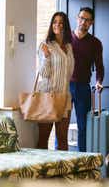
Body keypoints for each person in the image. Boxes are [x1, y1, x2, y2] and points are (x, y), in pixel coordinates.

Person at [37, 11, 74, 150]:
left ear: (65, 26)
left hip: (64, 97)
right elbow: (44, 73)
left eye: (60, 22)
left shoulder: (69, 47)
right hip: (48, 96)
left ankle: (62, 171)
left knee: (63, 140)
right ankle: (41, 171)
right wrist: (46, 56)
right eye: (54, 22)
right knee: (43, 139)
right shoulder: (45, 45)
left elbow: (69, 72)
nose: (57, 25)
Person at [70, 7, 104, 152]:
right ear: (77, 18)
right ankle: (59, 160)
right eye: (81, 18)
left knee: (83, 126)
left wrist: (99, 81)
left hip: (83, 87)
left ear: (91, 23)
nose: (83, 22)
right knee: (61, 124)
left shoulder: (95, 43)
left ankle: (81, 160)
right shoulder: (66, 38)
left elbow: (99, 66)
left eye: (87, 20)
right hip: (65, 86)